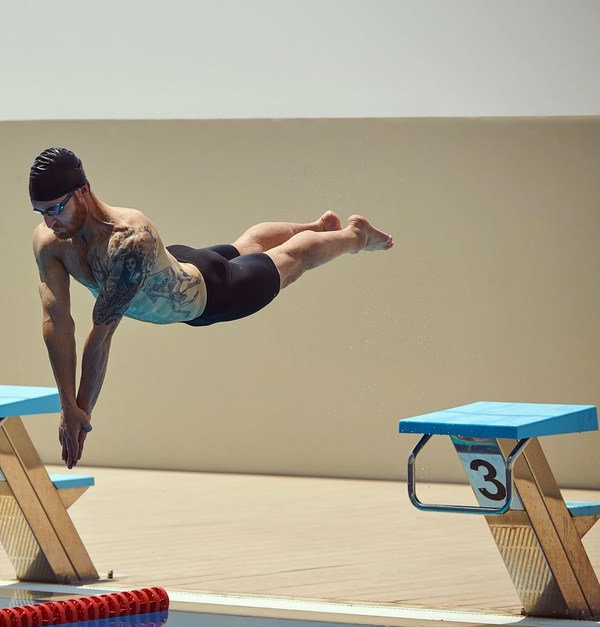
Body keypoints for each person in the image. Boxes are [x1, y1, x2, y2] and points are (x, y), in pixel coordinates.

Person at [30, 147, 393, 469]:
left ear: (83, 191)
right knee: (244, 246)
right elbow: (57, 320)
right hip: (177, 263)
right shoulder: (50, 240)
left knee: (291, 259)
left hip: (212, 294)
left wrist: (80, 413)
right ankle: (315, 227)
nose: (49, 222)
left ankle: (355, 236)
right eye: (41, 212)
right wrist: (68, 405)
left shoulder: (130, 241)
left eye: (57, 209)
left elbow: (102, 334)